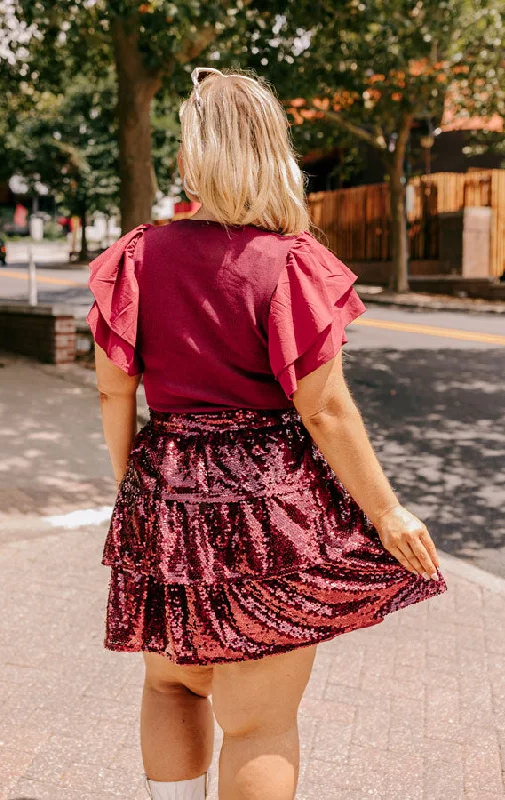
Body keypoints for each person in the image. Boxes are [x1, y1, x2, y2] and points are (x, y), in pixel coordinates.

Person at [86, 67, 447, 800]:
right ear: (271, 155)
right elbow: (324, 410)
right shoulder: (286, 264)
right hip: (266, 503)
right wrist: (386, 510)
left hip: (164, 480)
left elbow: (111, 386)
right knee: (257, 724)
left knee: (173, 688)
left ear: (189, 160)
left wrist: (138, 487)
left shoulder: (136, 257)